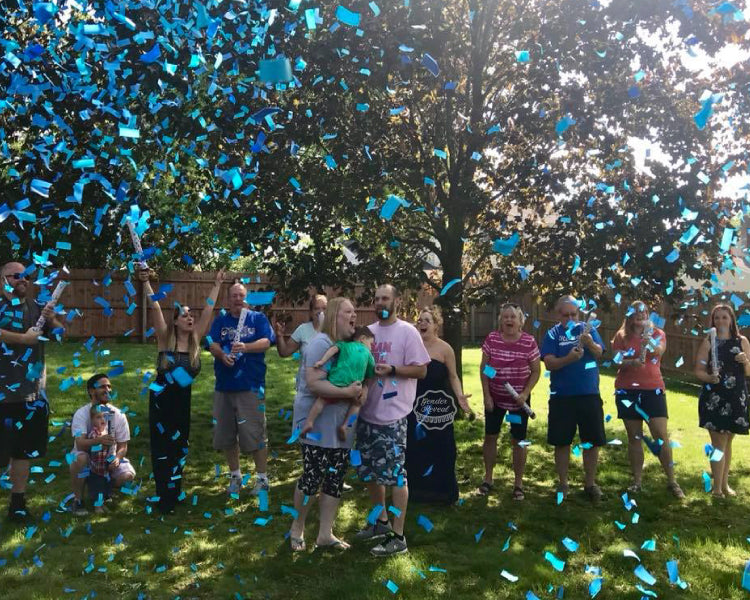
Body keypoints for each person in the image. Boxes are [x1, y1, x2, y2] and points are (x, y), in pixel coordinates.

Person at [139, 267, 225, 514]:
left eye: (191, 316)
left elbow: (208, 310)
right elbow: (155, 308)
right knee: (162, 446)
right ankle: (163, 495)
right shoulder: (166, 339)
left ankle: (175, 492)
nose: (190, 318)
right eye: (185, 315)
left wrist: (217, 284)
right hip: (161, 398)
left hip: (182, 398)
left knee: (180, 446)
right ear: (175, 320)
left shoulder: (196, 339)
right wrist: (146, 283)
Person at [354, 284, 429, 557]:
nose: (379, 302)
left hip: (394, 415)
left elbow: (421, 370)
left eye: (385, 297)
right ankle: (380, 522)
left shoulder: (407, 332)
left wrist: (393, 370)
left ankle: (398, 536)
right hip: (366, 413)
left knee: (396, 475)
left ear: (396, 300)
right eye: (376, 298)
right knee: (371, 473)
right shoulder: (368, 333)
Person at [288, 297, 365, 552]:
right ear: (334, 316)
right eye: (348, 311)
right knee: (312, 477)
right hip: (315, 423)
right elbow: (313, 382)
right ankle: (297, 528)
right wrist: (350, 393)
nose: (354, 315)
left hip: (340, 425)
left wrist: (361, 392)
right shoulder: (320, 343)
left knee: (334, 478)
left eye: (355, 311)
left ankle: (324, 534)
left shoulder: (348, 345)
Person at [0, 261, 64, 522]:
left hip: (31, 395)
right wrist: (23, 339)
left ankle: (17, 503)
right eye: (16, 276)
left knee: (23, 452)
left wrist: (53, 320)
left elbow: (60, 336)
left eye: (26, 275)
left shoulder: (38, 308)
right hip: (2, 395)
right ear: (3, 280)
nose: (22, 279)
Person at [208, 282, 274, 496]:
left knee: (255, 433)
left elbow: (266, 341)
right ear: (228, 299)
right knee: (226, 434)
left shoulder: (257, 319)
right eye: (234, 295)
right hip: (224, 386)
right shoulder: (222, 320)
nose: (237, 299)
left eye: (241, 295)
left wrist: (246, 347)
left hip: (251, 385)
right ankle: (235, 476)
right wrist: (221, 355)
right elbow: (212, 343)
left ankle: (262, 478)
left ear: (247, 298)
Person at [612, 301, 684, 498]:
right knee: (634, 437)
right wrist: (632, 362)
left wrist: (648, 340)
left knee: (660, 435)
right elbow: (615, 361)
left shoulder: (658, 333)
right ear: (629, 315)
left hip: (653, 390)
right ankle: (637, 482)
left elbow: (659, 351)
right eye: (635, 312)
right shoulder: (621, 336)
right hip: (627, 391)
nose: (640, 315)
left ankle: (672, 480)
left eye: (643, 312)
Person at [540, 295, 606, 502]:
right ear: (558, 315)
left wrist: (590, 344)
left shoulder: (588, 330)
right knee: (562, 442)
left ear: (578, 314)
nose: (570, 318)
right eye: (565, 314)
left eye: (573, 314)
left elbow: (600, 353)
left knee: (591, 441)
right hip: (562, 396)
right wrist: (569, 358)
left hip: (589, 394)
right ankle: (563, 483)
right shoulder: (553, 334)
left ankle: (590, 484)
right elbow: (549, 363)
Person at [406, 307, 472, 505]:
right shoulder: (411, 346)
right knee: (415, 446)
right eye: (420, 320)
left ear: (436, 325)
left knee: (443, 447)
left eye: (427, 320)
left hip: (438, 405)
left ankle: (443, 493)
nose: (422, 324)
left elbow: (453, 376)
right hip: (414, 405)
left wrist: (459, 395)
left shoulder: (445, 349)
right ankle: (416, 492)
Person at [478, 303, 540, 500]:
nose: (509, 320)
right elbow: (485, 369)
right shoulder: (492, 339)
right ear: (500, 321)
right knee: (491, 436)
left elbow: (536, 370)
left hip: (518, 403)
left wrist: (525, 393)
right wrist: (487, 395)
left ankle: (518, 484)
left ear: (520, 321)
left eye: (513, 317)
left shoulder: (529, 342)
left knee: (518, 440)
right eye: (505, 317)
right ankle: (488, 479)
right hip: (495, 400)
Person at [694, 303, 750, 498]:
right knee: (718, 443)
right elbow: (699, 370)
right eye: (717, 318)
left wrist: (745, 361)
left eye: (724, 317)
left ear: (731, 320)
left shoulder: (741, 341)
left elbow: (749, 372)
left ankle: (725, 485)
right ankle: (717, 489)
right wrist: (709, 378)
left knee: (728, 443)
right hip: (714, 398)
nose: (720, 321)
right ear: (713, 321)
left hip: (736, 397)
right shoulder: (709, 341)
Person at [69, 374, 136, 515]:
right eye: (103, 386)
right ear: (91, 391)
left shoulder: (118, 414)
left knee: (128, 476)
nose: (108, 389)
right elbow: (80, 444)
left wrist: (117, 458)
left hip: (109, 458)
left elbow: (123, 446)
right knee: (79, 459)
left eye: (109, 386)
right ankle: (78, 500)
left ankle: (103, 492)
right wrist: (98, 441)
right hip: (86, 458)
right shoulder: (81, 414)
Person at [301, 326, 375, 440]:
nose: (371, 348)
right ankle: (345, 425)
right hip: (354, 384)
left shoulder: (345, 345)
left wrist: (322, 361)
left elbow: (333, 349)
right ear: (363, 338)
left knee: (321, 400)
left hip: (337, 380)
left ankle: (309, 421)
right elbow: (371, 372)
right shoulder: (369, 355)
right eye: (371, 344)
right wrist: (366, 386)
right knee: (356, 405)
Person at [275, 294, 328, 390]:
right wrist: (279, 336)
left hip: (329, 387)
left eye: (324, 308)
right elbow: (284, 352)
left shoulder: (335, 332)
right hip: (305, 387)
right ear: (311, 312)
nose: (321, 312)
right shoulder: (303, 329)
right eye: (317, 308)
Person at [86, 406, 115, 514]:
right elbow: (92, 451)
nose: (102, 420)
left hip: (105, 469)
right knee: (97, 488)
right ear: (93, 420)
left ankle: (102, 503)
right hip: (96, 469)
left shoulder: (108, 432)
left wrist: (112, 458)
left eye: (104, 417)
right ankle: (97, 507)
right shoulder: (94, 435)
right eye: (98, 417)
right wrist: (100, 446)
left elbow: (113, 449)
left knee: (104, 487)